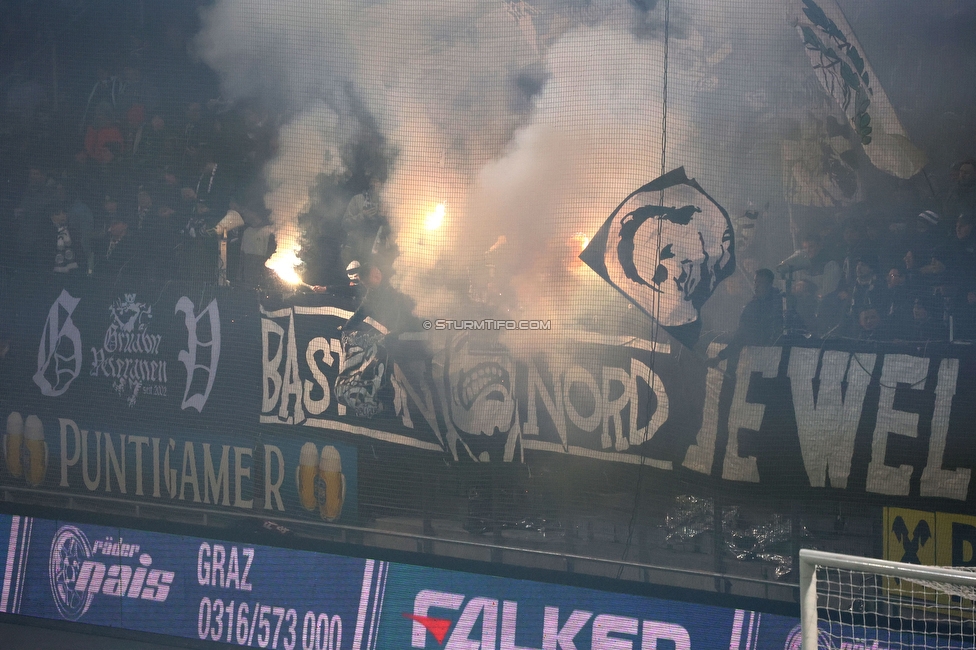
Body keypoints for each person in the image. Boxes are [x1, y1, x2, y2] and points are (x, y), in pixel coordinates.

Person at [716, 268, 783, 360]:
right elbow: (741, 334)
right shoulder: (752, 306)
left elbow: (742, 335)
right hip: (760, 357)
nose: (756, 285)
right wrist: (720, 357)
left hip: (769, 357)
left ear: (769, 284)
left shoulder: (781, 303)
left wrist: (719, 358)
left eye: (761, 282)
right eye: (755, 282)